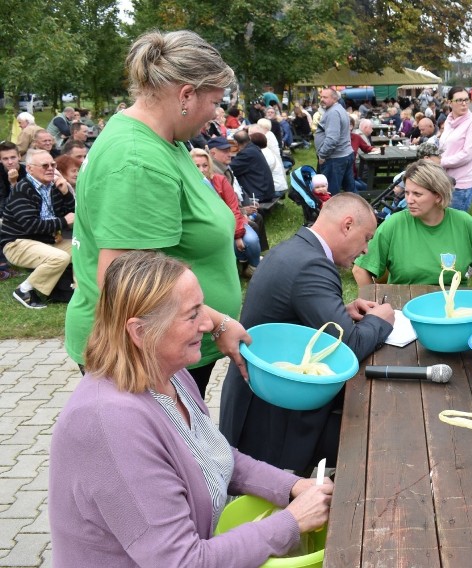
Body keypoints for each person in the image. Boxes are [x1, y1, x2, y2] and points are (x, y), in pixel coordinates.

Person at [50, 251, 333, 566]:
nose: (208, 323)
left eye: (203, 308)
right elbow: (182, 561)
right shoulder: (111, 424)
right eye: (192, 314)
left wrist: (293, 486)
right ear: (140, 332)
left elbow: (214, 456)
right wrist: (291, 522)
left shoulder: (170, 374)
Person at [65, 30, 249, 398]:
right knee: (161, 452)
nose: (216, 115)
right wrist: (217, 323)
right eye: (214, 102)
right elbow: (127, 287)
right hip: (143, 356)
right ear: (186, 95)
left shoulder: (167, 140)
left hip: (169, 347)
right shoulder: (137, 161)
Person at [219, 193, 394, 475]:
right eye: (366, 238)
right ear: (347, 225)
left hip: (255, 399)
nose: (365, 250)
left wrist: (342, 311)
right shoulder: (313, 266)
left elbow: (295, 313)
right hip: (272, 415)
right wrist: (380, 320)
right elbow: (348, 345)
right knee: (373, 434)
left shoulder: (295, 248)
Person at [352, 160, 472, 287]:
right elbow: (360, 269)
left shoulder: (465, 224)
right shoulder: (394, 225)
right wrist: (373, 305)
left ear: (438, 196)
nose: (409, 200)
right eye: (407, 193)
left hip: (453, 308)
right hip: (405, 306)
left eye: (417, 194)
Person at [1, 149, 75, 309]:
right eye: (44, 165)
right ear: (29, 168)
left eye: (52, 164)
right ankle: (24, 290)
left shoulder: (53, 187)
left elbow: (72, 215)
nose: (50, 168)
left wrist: (66, 193)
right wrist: (63, 221)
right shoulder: (22, 189)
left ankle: (78, 289)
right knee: (60, 257)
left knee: (82, 249)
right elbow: (30, 225)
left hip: (45, 242)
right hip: (17, 243)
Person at [190, 148, 261, 278]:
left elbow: (233, 207)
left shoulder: (220, 180)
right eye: (197, 166)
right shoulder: (189, 186)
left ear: (210, 165)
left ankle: (253, 267)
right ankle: (239, 261)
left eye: (205, 165)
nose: (202, 170)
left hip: (232, 222)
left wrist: (238, 234)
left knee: (251, 240)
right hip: (209, 228)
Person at [438, 86, 472, 211]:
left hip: (461, 186)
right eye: (459, 100)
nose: (464, 104)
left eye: (466, 100)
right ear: (449, 103)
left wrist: (440, 162)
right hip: (443, 181)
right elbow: (444, 147)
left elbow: (466, 155)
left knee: (454, 228)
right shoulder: (448, 121)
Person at [315, 88, 355, 195]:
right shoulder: (338, 109)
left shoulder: (333, 112)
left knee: (330, 193)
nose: (322, 99)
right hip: (343, 155)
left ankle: (332, 211)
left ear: (334, 98)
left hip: (335, 158)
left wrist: (322, 155)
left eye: (325, 97)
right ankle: (359, 210)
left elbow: (332, 139)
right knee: (351, 191)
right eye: (321, 97)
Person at [231, 129, 277, 203]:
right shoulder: (253, 148)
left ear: (236, 142)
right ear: (249, 138)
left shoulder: (247, 153)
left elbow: (231, 169)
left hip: (259, 195)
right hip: (265, 191)